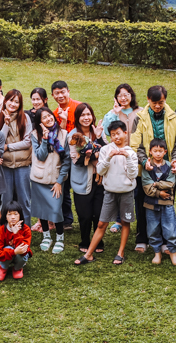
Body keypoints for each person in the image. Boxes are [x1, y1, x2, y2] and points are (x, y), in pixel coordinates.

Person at [130, 86, 176, 254]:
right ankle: (142, 238)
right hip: (146, 169)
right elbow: (135, 145)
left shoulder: (175, 118)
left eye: (161, 102)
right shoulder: (139, 118)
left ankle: (164, 239)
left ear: (165, 100)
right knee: (143, 203)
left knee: (166, 203)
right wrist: (144, 160)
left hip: (167, 170)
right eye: (154, 102)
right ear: (148, 99)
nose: (158, 106)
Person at [75, 120, 138, 266]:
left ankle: (120, 253)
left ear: (125, 133)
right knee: (102, 223)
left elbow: (133, 174)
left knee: (125, 221)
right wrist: (109, 157)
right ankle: (89, 254)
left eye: (119, 134)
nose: (116, 137)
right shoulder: (105, 150)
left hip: (126, 192)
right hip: (109, 191)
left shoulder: (131, 152)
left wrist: (127, 157)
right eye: (113, 135)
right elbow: (101, 171)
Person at [29, 108, 70, 254]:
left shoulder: (64, 134)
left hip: (55, 180)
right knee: (42, 210)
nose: (48, 119)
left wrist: (59, 181)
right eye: (44, 118)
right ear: (40, 122)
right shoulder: (35, 135)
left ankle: (59, 238)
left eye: (49, 116)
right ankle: (46, 236)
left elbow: (66, 161)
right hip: (39, 179)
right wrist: (45, 140)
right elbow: (40, 156)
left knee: (55, 210)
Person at [69, 102, 105, 253]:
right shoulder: (73, 135)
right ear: (77, 118)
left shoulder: (98, 131)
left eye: (88, 114)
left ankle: (98, 241)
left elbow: (106, 151)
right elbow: (75, 160)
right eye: (82, 115)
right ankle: (84, 240)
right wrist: (92, 157)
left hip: (99, 181)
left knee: (98, 213)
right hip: (82, 181)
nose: (86, 117)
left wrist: (98, 138)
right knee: (84, 215)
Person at [141, 138, 176, 266]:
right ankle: (157, 252)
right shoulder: (147, 166)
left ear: (165, 152)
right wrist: (159, 193)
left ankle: (173, 252)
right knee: (153, 229)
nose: (158, 153)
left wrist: (156, 184)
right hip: (150, 204)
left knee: (170, 228)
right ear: (150, 152)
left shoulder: (170, 166)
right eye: (155, 151)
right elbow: (146, 187)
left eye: (160, 151)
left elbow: (170, 184)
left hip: (167, 204)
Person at [0, 90, 33, 223]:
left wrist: (9, 147)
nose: (13, 104)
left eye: (16, 101)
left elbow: (27, 142)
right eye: (11, 100)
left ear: (20, 104)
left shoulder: (25, 118)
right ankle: (5, 232)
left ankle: (25, 232)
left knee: (24, 200)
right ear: (5, 101)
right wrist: (6, 124)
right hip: (5, 165)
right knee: (5, 201)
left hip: (22, 165)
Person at [51, 80, 79, 228]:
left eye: (63, 92)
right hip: (64, 156)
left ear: (68, 91)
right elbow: (58, 137)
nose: (60, 95)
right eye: (57, 93)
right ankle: (67, 220)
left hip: (80, 153)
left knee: (81, 188)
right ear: (53, 96)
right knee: (65, 187)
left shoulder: (79, 107)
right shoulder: (54, 114)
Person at [0, 200, 32, 281]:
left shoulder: (26, 229)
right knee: (9, 248)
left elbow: (24, 250)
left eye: (16, 214)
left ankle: (17, 268)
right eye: (9, 214)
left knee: (23, 253)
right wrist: (13, 252)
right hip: (8, 253)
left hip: (20, 254)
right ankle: (3, 267)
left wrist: (16, 233)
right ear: (5, 217)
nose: (13, 217)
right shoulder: (1, 230)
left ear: (20, 215)